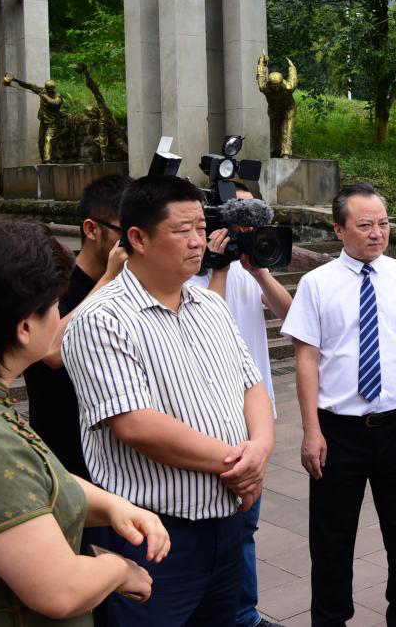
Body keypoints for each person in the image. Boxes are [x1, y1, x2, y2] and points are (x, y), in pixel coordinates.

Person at [0, 213, 169, 625]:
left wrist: (114, 506)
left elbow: (30, 479)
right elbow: (61, 590)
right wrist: (120, 569)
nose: (59, 315)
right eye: (55, 305)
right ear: (24, 326)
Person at [63, 175, 275, 624]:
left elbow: (252, 385)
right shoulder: (101, 319)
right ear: (137, 238)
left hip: (226, 522)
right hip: (154, 535)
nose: (198, 241)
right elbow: (136, 425)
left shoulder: (210, 306)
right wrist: (240, 466)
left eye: (201, 227)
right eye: (183, 230)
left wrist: (260, 449)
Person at [282, 182, 396, 627]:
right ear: (339, 229)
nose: (377, 233)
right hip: (339, 432)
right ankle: (331, 619)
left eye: (384, 224)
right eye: (365, 225)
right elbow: (306, 359)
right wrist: (311, 430)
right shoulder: (316, 285)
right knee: (331, 540)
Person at [192, 183, 294, 627]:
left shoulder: (254, 266)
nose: (248, 232)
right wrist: (217, 265)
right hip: (208, 412)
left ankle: (244, 614)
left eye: (255, 222)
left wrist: (261, 272)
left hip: (255, 416)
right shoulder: (195, 272)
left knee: (247, 523)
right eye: (239, 222)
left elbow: (293, 318)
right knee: (209, 523)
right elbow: (207, 325)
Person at [24, 173, 132, 482]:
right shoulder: (53, 281)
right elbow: (50, 351)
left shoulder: (130, 282)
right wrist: (108, 279)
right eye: (125, 232)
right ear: (92, 229)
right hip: (65, 456)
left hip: (119, 462)